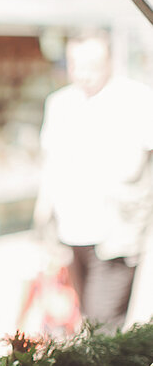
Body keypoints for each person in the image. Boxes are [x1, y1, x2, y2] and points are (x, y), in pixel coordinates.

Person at [33, 31, 153, 332]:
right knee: (79, 321)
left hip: (116, 235)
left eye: (92, 65)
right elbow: (50, 166)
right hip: (70, 233)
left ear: (110, 62)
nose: (84, 74)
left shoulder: (136, 100)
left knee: (103, 327)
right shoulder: (59, 104)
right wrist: (42, 222)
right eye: (77, 64)